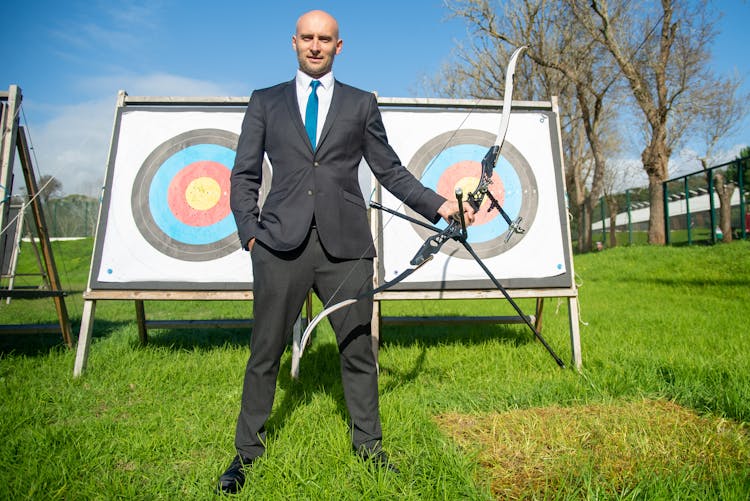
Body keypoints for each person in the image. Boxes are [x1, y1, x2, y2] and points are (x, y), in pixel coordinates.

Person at [219, 9, 474, 494]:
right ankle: (246, 454)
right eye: (308, 38)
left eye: (326, 39)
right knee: (265, 352)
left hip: (347, 249)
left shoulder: (361, 104)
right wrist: (250, 234)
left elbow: (390, 170)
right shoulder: (265, 102)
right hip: (278, 246)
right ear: (293, 42)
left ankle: (369, 449)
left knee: (358, 351)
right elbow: (244, 175)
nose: (316, 46)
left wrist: (441, 206)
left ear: (341, 46)